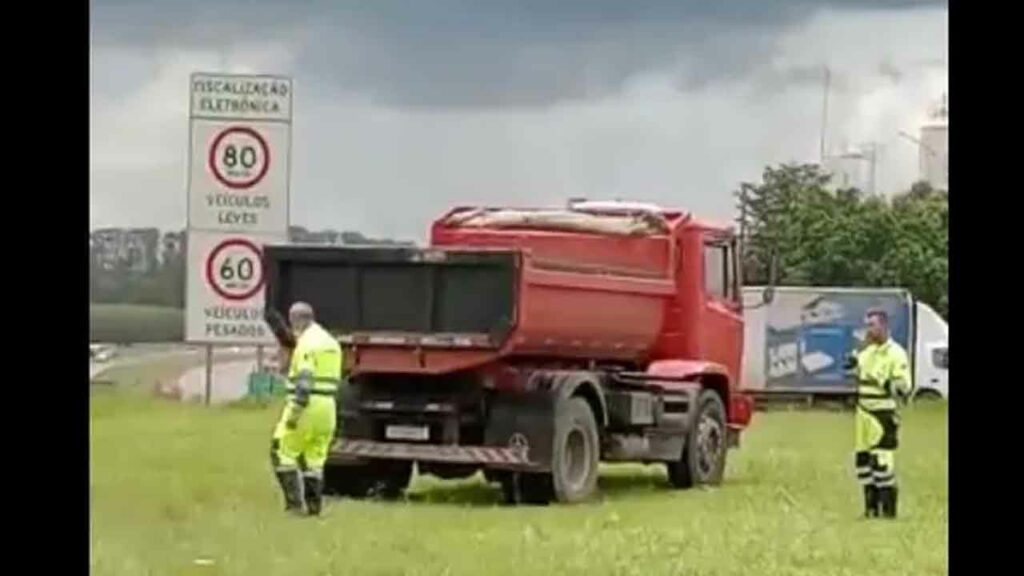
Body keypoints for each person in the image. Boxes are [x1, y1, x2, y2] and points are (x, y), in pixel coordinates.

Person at [270, 302, 343, 516]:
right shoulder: (331, 342)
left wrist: (294, 414)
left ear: (294, 321)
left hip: (308, 405)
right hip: (328, 407)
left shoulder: (306, 344)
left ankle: (294, 506)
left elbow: (304, 383)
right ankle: (314, 508)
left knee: (281, 451)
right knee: (314, 459)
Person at [848, 308, 913, 519]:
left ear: (884, 326)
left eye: (872, 325)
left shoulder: (896, 353)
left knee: (882, 463)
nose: (868, 330)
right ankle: (871, 509)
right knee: (863, 462)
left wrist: (884, 381)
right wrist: (852, 361)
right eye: (867, 325)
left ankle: (889, 511)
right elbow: (853, 369)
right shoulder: (866, 353)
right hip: (863, 413)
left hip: (882, 413)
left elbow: (904, 387)